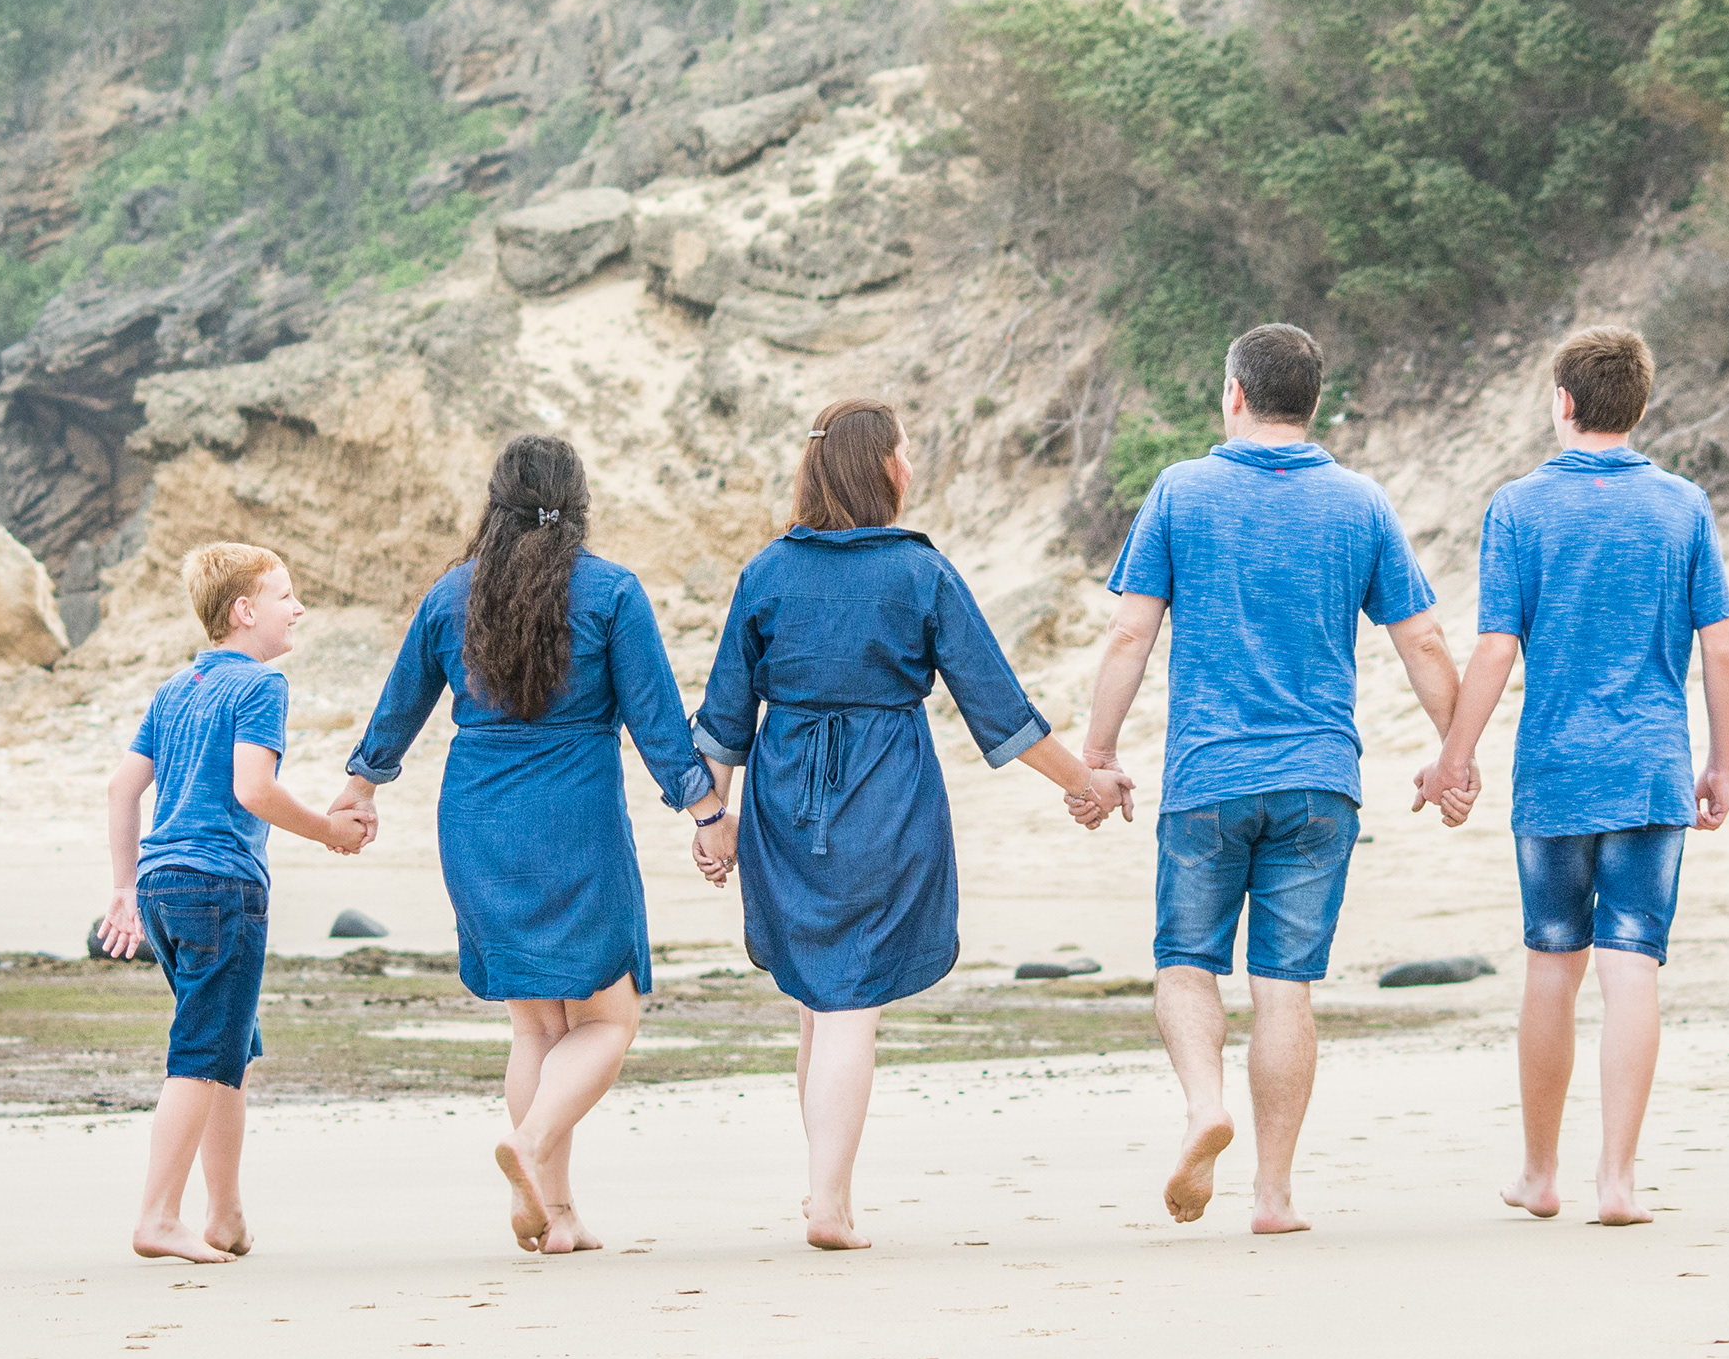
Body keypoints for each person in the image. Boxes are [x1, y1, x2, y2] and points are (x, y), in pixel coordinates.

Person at [689, 401, 1121, 1251]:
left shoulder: (768, 571)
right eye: (905, 451)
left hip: (784, 797)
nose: (911, 466)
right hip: (885, 796)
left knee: (820, 1002)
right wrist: (1087, 784)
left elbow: (724, 716)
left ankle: (831, 1193)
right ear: (878, 467)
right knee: (849, 1003)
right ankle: (826, 1203)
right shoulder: (918, 571)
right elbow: (999, 707)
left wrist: (713, 817)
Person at [1081, 323, 1459, 1235]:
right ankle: (1275, 1195)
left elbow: (1130, 633)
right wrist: (1455, 751)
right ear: (1312, 402)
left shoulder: (1181, 490)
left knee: (1186, 964)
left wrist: (1097, 755)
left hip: (1208, 776)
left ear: (1235, 394)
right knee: (1285, 985)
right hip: (1320, 781)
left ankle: (1205, 1103)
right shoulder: (1362, 503)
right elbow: (1422, 639)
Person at [333, 435, 721, 1257]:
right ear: (577, 504)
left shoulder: (453, 593)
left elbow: (401, 702)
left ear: (496, 504)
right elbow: (656, 722)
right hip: (574, 816)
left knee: (536, 1028)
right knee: (610, 1017)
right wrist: (705, 811)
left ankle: (559, 1210)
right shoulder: (611, 591)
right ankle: (533, 1141)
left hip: (477, 818)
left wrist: (362, 785)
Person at [1417, 325, 1729, 1227]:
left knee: (1553, 962)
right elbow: (1720, 648)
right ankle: (1618, 1181)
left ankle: (1539, 1173)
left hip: (1556, 773)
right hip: (1652, 769)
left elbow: (1496, 646)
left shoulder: (1519, 506)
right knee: (1633, 961)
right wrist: (1720, 759)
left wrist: (1455, 755)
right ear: (1641, 403)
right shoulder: (1683, 506)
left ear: (1562, 402)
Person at [98, 543, 376, 1264]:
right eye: (286, 595)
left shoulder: (175, 687)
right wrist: (328, 832)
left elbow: (122, 789)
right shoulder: (261, 685)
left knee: (229, 1048)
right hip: (221, 887)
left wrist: (124, 888)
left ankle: (224, 1216)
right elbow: (253, 789)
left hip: (161, 883)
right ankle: (158, 1217)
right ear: (245, 611)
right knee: (200, 1053)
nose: (299, 608)